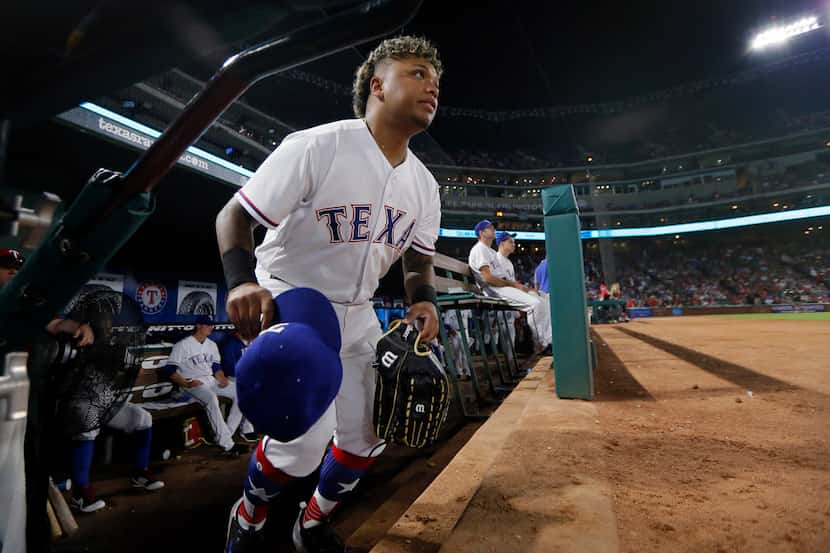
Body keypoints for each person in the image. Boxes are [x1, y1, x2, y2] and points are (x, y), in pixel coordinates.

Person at [216, 35, 443, 552]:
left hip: (357, 309)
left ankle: (311, 524)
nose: (432, 85)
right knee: (304, 439)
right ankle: (248, 516)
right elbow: (233, 216)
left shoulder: (425, 186)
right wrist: (241, 282)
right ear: (378, 84)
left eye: (436, 79)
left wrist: (423, 298)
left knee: (370, 435)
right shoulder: (317, 145)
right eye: (417, 72)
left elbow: (417, 257)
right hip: (292, 292)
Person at [164, 315, 247, 456]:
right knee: (211, 399)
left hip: (210, 380)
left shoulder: (211, 345)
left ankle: (225, 435)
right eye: (208, 324)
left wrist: (221, 378)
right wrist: (185, 383)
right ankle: (228, 444)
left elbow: (216, 368)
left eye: (211, 325)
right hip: (192, 383)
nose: (211, 327)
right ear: (198, 326)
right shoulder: (183, 345)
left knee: (241, 394)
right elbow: (170, 371)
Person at [468, 221, 551, 353]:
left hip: (502, 287)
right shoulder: (479, 249)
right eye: (489, 228)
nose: (493, 229)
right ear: (481, 233)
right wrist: (512, 284)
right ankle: (541, 344)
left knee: (542, 300)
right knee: (534, 304)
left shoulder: (490, 252)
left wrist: (519, 287)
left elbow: (503, 278)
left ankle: (548, 340)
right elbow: (488, 278)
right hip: (494, 289)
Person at [69, 402, 164, 513]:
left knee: (142, 417)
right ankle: (79, 494)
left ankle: (140, 473)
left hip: (104, 400)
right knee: (88, 426)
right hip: (75, 404)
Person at [217, 331, 257, 442]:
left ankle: (247, 427)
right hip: (233, 378)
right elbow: (229, 367)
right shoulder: (229, 343)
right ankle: (229, 432)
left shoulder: (252, 341)